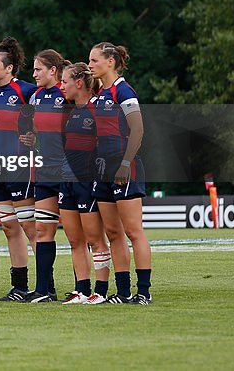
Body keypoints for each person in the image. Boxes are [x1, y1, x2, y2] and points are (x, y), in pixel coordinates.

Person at [89, 42, 151, 304]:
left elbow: (137, 130)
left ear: (110, 62)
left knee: (133, 232)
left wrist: (125, 164)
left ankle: (143, 292)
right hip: (102, 169)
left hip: (124, 167)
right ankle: (123, 292)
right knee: (113, 233)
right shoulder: (100, 93)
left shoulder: (122, 90)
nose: (90, 65)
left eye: (94, 60)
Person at [0, 37, 38, 301]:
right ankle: (20, 286)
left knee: (30, 227)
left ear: (10, 68)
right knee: (9, 228)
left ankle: (44, 286)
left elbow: (49, 119)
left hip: (19, 168)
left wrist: (35, 138)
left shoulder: (26, 91)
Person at [59, 62, 112, 305]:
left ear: (78, 84)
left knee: (95, 239)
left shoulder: (96, 109)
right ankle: (81, 290)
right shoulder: (68, 110)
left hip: (88, 183)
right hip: (66, 181)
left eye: (65, 82)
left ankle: (100, 291)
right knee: (74, 240)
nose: (62, 86)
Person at [21, 49, 70, 302]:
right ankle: (44, 290)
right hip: (44, 170)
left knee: (78, 235)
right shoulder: (36, 96)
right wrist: (32, 138)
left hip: (67, 171)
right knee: (42, 231)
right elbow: (38, 130)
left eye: (38, 69)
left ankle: (83, 289)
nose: (34, 74)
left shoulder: (67, 94)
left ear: (53, 71)